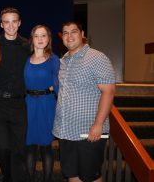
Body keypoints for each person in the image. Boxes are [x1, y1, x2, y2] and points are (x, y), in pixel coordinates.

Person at [53, 21, 116, 182]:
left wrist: (98, 124)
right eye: (65, 33)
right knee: (71, 175)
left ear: (82, 35)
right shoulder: (64, 60)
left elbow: (108, 91)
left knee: (91, 176)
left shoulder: (96, 57)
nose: (69, 36)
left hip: (88, 131)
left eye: (73, 32)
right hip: (66, 131)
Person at [0, 7, 30, 182]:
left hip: (19, 104)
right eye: (6, 22)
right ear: (1, 24)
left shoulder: (27, 45)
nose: (11, 25)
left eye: (14, 21)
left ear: (19, 23)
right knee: (1, 148)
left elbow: (46, 58)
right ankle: (9, 176)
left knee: (19, 150)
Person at [24, 25, 60, 182]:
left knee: (46, 147)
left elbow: (61, 83)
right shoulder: (25, 59)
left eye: (43, 35)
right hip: (28, 105)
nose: (40, 39)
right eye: (36, 36)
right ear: (32, 39)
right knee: (30, 147)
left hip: (47, 105)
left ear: (48, 39)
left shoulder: (54, 59)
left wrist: (54, 87)